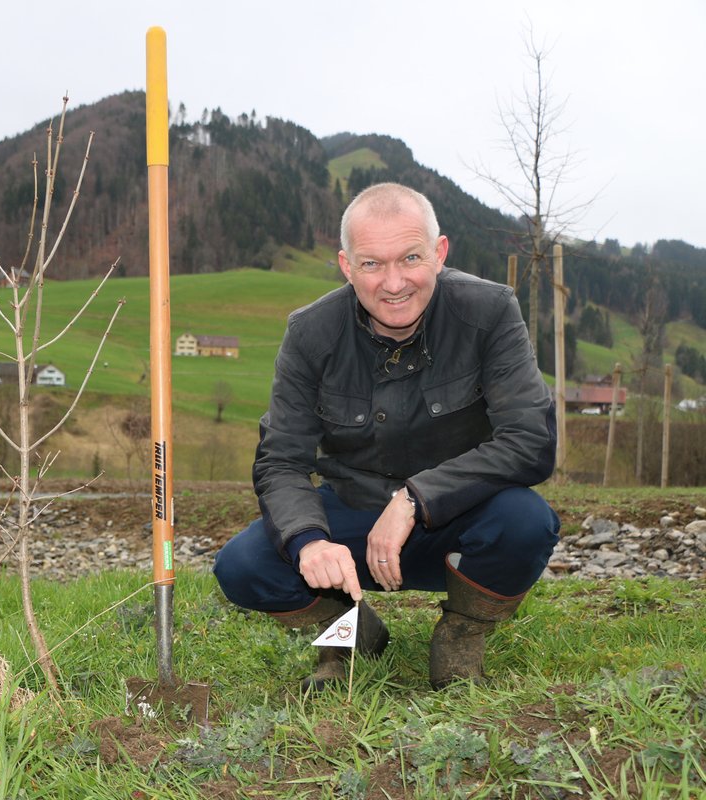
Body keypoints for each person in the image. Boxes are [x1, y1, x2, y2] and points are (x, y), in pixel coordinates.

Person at [213, 182, 560, 690]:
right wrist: (310, 543)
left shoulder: (489, 312)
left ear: (439, 253)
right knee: (244, 565)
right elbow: (281, 460)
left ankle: (462, 634)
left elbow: (531, 439)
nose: (394, 283)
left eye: (411, 258)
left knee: (526, 521)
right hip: (353, 515)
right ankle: (350, 630)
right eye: (372, 264)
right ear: (346, 265)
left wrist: (415, 500)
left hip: (459, 518)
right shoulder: (310, 334)